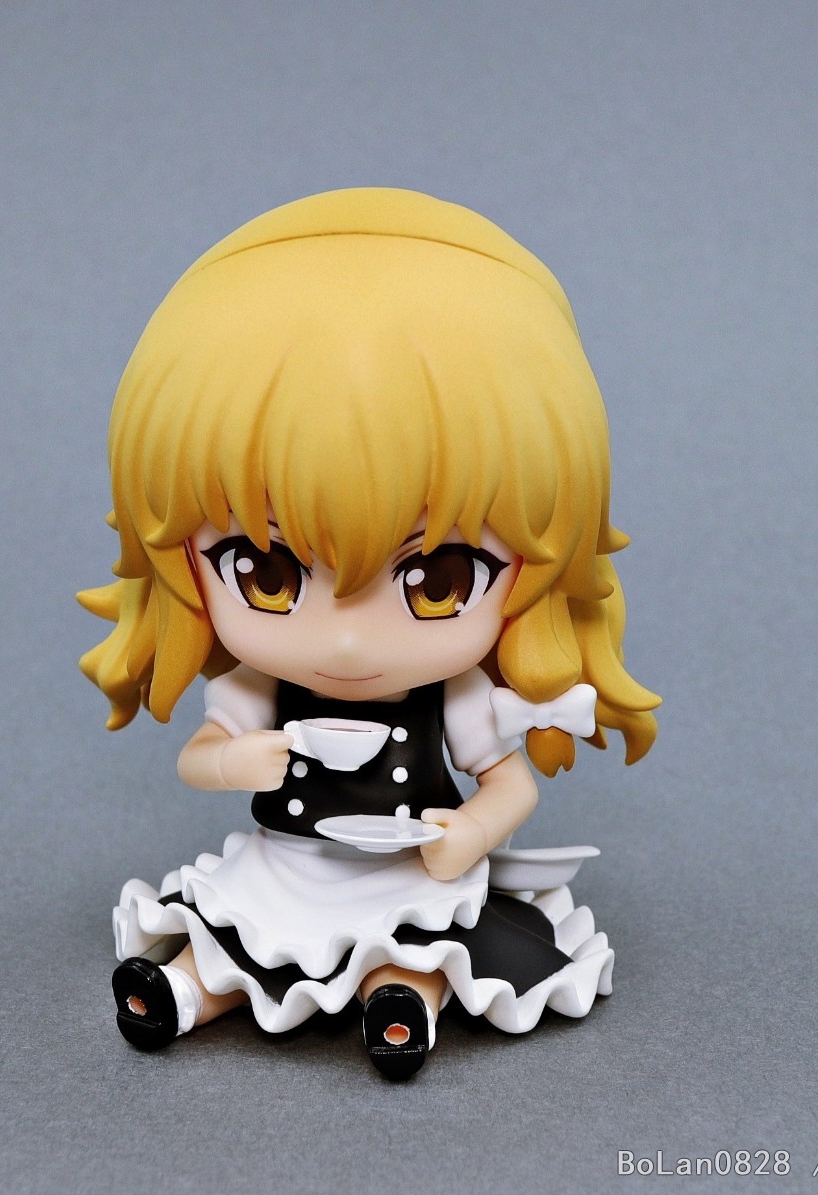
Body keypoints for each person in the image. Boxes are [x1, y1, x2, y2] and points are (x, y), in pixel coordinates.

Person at [79, 187, 659, 1080]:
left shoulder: (455, 698)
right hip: (286, 864)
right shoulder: (259, 690)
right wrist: (234, 763)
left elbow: (509, 788)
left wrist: (467, 835)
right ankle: (179, 994)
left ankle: (400, 1011)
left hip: (405, 874)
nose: (346, 643)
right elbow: (199, 755)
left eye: (437, 580)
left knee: (415, 947)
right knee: (233, 939)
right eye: (266, 574)